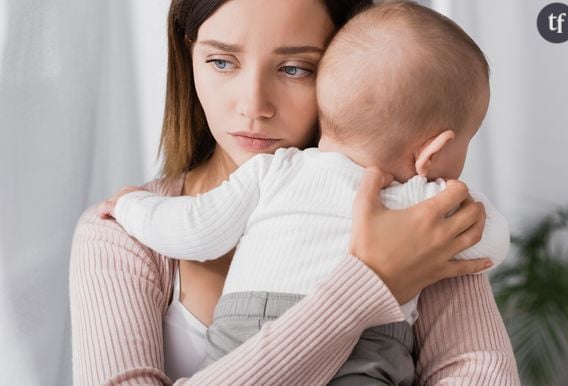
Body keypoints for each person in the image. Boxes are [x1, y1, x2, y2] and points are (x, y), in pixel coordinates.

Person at [70, 0, 519, 385]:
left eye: (295, 68)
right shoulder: (119, 234)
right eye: (221, 61)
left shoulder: (420, 224)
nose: (253, 106)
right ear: (189, 55)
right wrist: (369, 284)